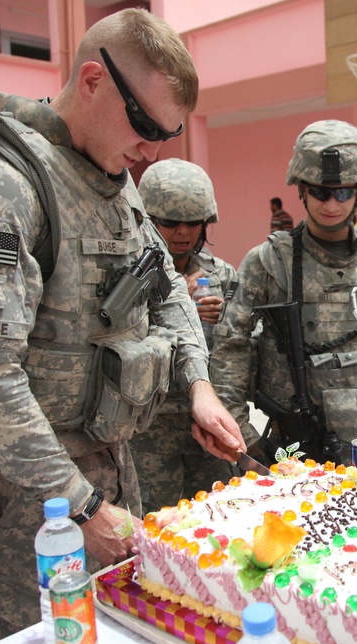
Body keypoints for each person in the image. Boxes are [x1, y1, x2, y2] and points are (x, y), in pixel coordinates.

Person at [0, 10, 246, 644]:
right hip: (20, 507)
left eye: (168, 134)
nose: (153, 152)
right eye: (144, 126)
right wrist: (78, 505)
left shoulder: (113, 180)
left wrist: (197, 384)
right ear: (91, 80)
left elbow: (164, 289)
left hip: (106, 475)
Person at [211, 120, 357, 458]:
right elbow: (230, 349)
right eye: (319, 191)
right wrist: (247, 439)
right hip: (293, 448)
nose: (331, 205)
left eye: (343, 192)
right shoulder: (269, 261)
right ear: (301, 188)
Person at [130, 158, 238, 511]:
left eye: (193, 223)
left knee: (217, 519)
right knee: (155, 526)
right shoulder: (129, 275)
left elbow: (244, 345)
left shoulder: (222, 274)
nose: (182, 232)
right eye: (169, 222)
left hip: (207, 422)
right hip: (150, 428)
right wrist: (178, 304)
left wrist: (225, 317)